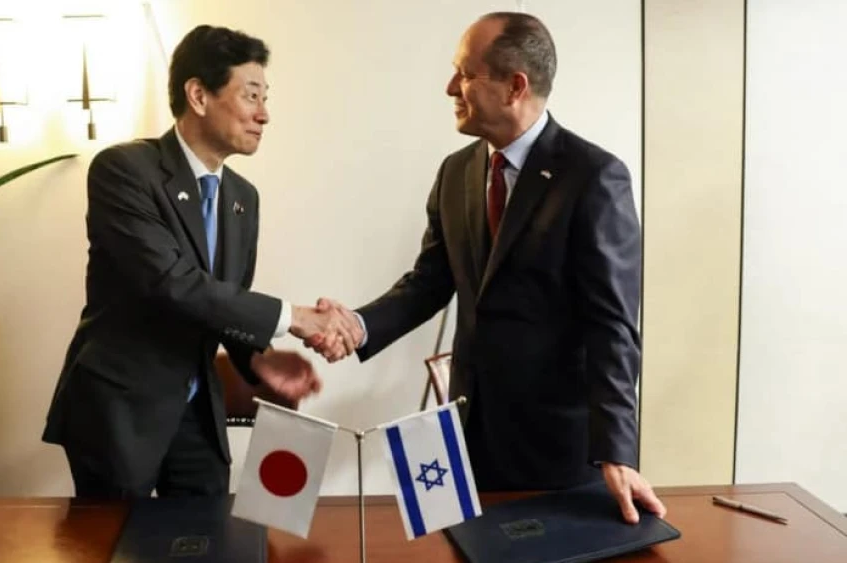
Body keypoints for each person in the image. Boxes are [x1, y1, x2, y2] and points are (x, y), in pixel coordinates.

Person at [312, 12, 665, 523]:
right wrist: (357, 327)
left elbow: (612, 325)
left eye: (465, 73)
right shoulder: (456, 172)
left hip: (556, 454)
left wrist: (616, 448)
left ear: (514, 86)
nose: (450, 87)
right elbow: (428, 284)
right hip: (469, 440)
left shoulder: (594, 177)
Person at [42, 24, 360, 499]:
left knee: (208, 540)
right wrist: (292, 317)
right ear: (198, 94)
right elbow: (173, 284)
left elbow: (219, 305)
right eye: (251, 95)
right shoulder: (124, 170)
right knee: (116, 548)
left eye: (265, 97)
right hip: (120, 410)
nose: (264, 114)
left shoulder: (242, 198)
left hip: (196, 412)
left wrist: (259, 361)